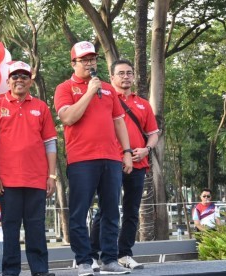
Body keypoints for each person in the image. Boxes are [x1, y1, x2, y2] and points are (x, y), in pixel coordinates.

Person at [54, 41, 133, 275]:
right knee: (79, 212)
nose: (89, 63)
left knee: (111, 211)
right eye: (84, 59)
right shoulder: (65, 88)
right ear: (74, 63)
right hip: (82, 159)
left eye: (92, 59)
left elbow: (119, 121)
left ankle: (109, 259)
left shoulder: (108, 89)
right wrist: (89, 92)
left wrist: (126, 152)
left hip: (111, 158)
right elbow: (68, 118)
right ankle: (84, 261)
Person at [0, 61, 57, 276]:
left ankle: (40, 271)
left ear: (30, 81)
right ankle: (10, 271)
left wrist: (51, 175)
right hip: (7, 180)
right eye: (15, 76)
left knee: (36, 227)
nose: (19, 80)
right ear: (8, 81)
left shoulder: (41, 107)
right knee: (10, 228)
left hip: (37, 179)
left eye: (24, 76)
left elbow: (50, 143)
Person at [89, 60, 159, 270]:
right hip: (112, 163)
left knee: (131, 211)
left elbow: (154, 133)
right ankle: (93, 255)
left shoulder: (143, 104)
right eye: (121, 73)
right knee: (105, 210)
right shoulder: (104, 99)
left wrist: (146, 149)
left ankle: (124, 254)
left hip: (139, 164)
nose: (126, 77)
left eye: (129, 73)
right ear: (111, 77)